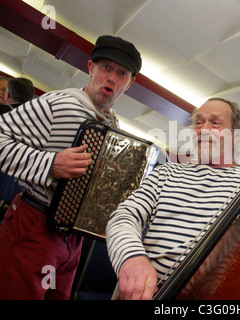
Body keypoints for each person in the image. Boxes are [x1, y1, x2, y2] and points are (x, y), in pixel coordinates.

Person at [106, 97, 240, 300]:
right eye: (199, 123)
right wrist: (132, 259)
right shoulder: (166, 173)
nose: (204, 129)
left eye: (215, 123)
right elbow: (123, 217)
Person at [0, 35, 142, 300]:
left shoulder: (113, 127)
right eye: (106, 68)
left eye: (121, 73)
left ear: (130, 83)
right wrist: (50, 164)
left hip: (73, 240)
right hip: (34, 224)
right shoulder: (59, 104)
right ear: (91, 68)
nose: (111, 77)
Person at [0, 77, 34, 215]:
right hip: (11, 192)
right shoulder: (35, 123)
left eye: (3, 89)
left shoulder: (5, 116)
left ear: (8, 94)